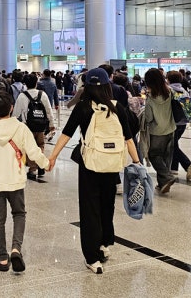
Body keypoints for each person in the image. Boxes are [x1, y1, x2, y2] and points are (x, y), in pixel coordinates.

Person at [47, 68, 141, 275]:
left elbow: (66, 134)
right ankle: (104, 244)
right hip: (112, 164)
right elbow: (128, 139)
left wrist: (52, 156)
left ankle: (92, 257)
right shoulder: (117, 107)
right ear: (108, 86)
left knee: (90, 209)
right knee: (107, 205)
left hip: (90, 164)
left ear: (87, 86)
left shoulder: (83, 107)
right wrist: (137, 162)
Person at [0, 91, 50, 273]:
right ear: (11, 108)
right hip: (15, 180)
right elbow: (33, 151)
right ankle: (16, 249)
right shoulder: (21, 128)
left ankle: (2, 258)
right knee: (19, 214)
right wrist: (45, 164)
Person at [141, 68, 177, 193]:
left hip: (156, 131)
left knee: (154, 155)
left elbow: (149, 118)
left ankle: (167, 177)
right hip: (170, 128)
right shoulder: (170, 92)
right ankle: (163, 185)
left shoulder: (150, 98)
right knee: (166, 157)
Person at [12, 73, 54, 180]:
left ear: (25, 84)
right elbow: (48, 111)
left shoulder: (22, 96)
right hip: (41, 126)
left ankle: (32, 169)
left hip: (28, 127)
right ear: (36, 83)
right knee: (40, 145)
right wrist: (51, 124)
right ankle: (41, 165)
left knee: (29, 147)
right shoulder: (42, 94)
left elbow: (16, 113)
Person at [167, 70, 191, 180]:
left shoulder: (169, 91)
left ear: (168, 79)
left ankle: (188, 165)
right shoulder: (184, 91)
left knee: (172, 146)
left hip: (172, 123)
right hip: (183, 123)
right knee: (174, 145)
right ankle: (174, 169)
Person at [37, 69, 59, 141]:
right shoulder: (53, 84)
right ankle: (48, 130)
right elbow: (55, 95)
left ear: (43, 74)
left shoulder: (39, 83)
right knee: (48, 116)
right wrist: (56, 104)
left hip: (41, 103)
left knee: (41, 117)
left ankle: (45, 131)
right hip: (50, 102)